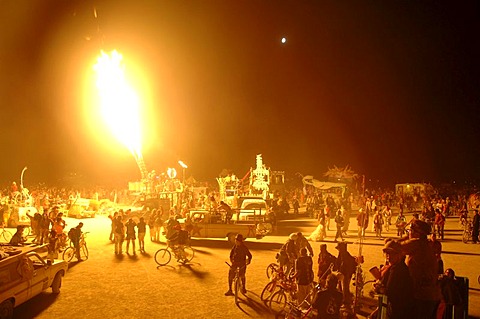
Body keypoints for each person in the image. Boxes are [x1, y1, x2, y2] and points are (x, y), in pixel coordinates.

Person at [399, 220, 441, 319]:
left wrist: (406, 237)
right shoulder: (425, 243)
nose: (408, 232)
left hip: (421, 296)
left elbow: (392, 247)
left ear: (417, 233)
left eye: (410, 230)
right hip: (428, 294)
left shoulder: (416, 244)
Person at [371, 239, 414, 319]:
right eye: (387, 254)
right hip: (397, 309)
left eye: (392, 254)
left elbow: (390, 291)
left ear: (399, 255)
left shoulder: (397, 269)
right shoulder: (395, 267)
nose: (389, 257)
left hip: (398, 311)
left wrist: (379, 289)